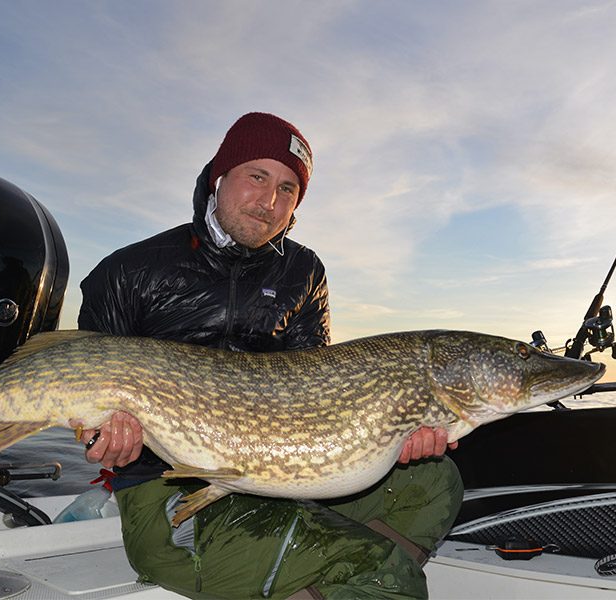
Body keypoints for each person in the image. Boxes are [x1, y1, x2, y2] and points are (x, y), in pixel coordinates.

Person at [78, 112, 463, 599]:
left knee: (434, 481)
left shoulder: (303, 271)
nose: (269, 201)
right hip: (172, 492)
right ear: (220, 177)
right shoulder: (129, 270)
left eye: (287, 189)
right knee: (386, 574)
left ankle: (311, 581)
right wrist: (105, 439)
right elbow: (87, 414)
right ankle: (345, 573)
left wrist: (397, 432)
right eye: (256, 177)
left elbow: (318, 389)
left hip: (271, 473)